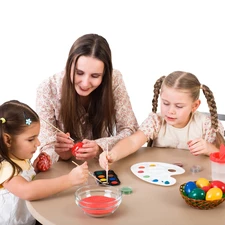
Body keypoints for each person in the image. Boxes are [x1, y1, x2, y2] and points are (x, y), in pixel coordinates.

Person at [35, 33, 138, 165]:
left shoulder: (114, 80)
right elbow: (45, 147)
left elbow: (131, 130)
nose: (85, 83)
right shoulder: (47, 88)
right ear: (68, 66)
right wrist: (61, 153)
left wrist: (100, 146)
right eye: (79, 73)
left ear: (105, 75)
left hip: (102, 164)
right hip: (64, 171)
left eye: (95, 76)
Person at [99, 71, 225, 169]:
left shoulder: (207, 125)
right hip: (160, 178)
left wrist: (210, 149)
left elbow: (222, 157)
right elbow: (132, 141)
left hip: (196, 183)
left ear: (195, 105)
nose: (170, 111)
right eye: (165, 103)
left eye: (179, 106)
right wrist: (113, 155)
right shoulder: (156, 121)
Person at [0, 100, 88, 225]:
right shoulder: (5, 167)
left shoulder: (19, 158)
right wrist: (69, 180)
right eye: (31, 139)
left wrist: (34, 170)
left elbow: (23, 178)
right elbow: (27, 190)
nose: (38, 143)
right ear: (8, 140)